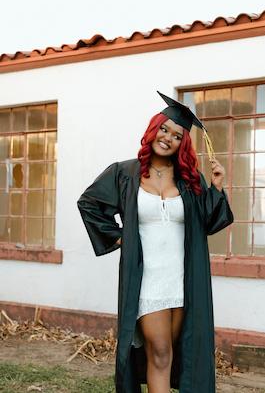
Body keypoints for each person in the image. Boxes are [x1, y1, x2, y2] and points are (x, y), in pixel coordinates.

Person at [77, 91, 234, 393]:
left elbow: (212, 222)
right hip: (147, 280)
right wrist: (120, 237)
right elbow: (89, 203)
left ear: (182, 143)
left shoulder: (190, 180)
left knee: (169, 352)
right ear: (153, 129)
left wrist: (216, 187)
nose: (168, 138)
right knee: (160, 351)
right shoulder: (125, 173)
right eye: (164, 129)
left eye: (177, 135)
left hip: (183, 279)